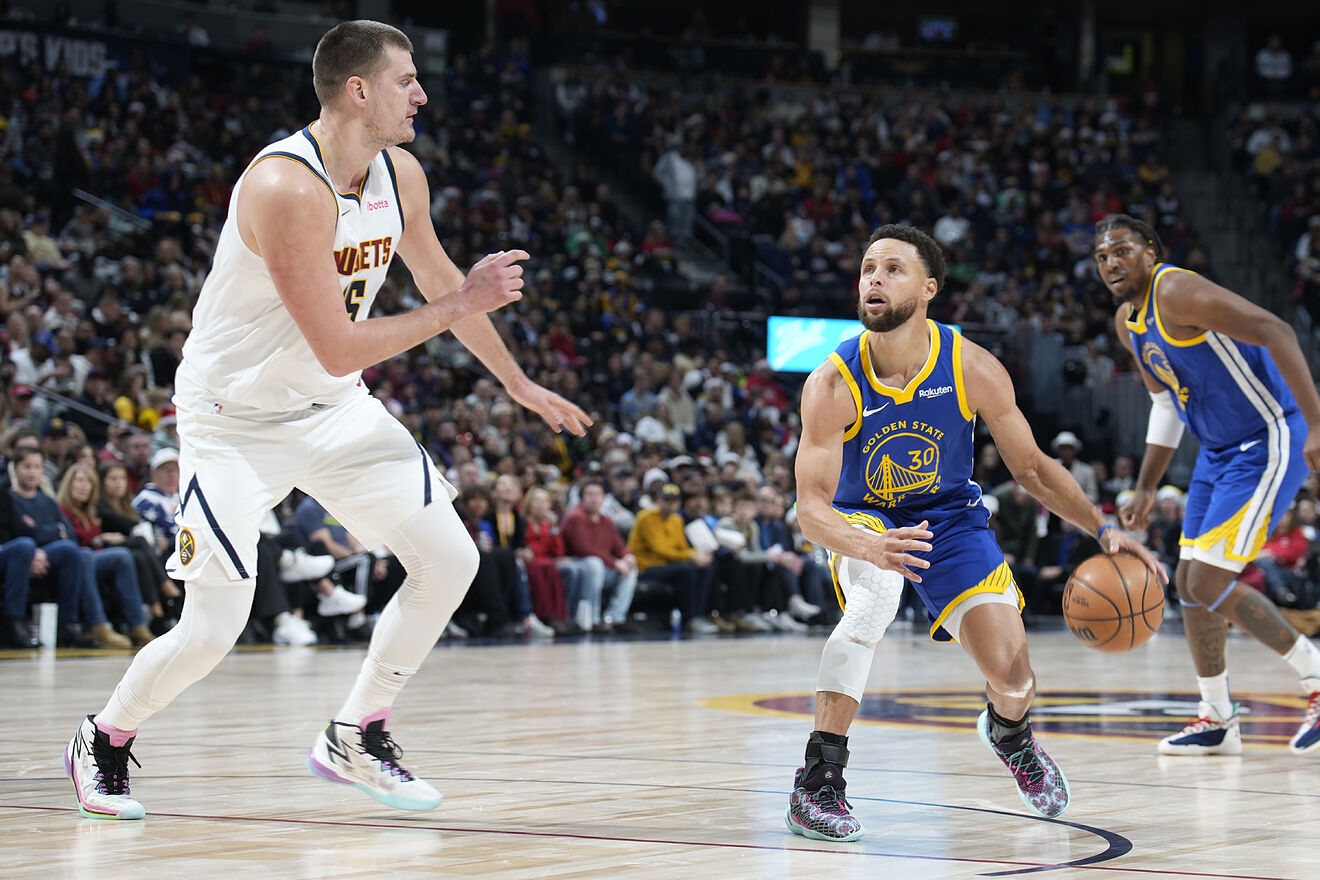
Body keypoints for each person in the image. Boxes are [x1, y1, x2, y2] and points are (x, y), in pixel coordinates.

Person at [65, 19, 588, 822]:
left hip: (331, 409)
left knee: (451, 559)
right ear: (358, 90)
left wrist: (516, 381)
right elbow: (344, 344)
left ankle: (357, 732)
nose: (420, 93)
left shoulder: (398, 174)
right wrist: (456, 305)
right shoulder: (284, 187)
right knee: (213, 628)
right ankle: (103, 739)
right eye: (406, 79)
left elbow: (442, 278)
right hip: (233, 419)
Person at [787, 224, 1162, 841]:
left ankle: (1010, 733)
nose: (874, 279)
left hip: (951, 519)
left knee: (1014, 677)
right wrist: (868, 546)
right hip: (864, 518)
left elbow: (1034, 469)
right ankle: (817, 782)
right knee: (875, 597)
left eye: (892, 269)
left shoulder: (971, 366)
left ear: (929, 288)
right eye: (867, 269)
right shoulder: (832, 383)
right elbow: (810, 510)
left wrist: (1103, 529)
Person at [1095, 213, 1320, 756]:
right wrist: (1147, 487)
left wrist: (1317, 422)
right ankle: (1217, 714)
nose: (1110, 264)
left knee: (1207, 580)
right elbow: (1165, 404)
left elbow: (1276, 330)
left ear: (1150, 251)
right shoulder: (1129, 321)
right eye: (1101, 257)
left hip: (1267, 437)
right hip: (1217, 453)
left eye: (1121, 250)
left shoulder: (1177, 288)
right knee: (1188, 585)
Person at [561, 479, 640, 633]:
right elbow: (583, 549)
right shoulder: (575, 518)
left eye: (598, 495)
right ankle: (592, 619)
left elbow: (618, 546)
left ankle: (615, 618)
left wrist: (627, 557)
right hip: (578, 566)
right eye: (590, 494)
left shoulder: (605, 520)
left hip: (603, 567)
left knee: (631, 568)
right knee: (594, 564)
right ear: (582, 498)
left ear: (604, 499)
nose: (594, 498)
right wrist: (615, 563)